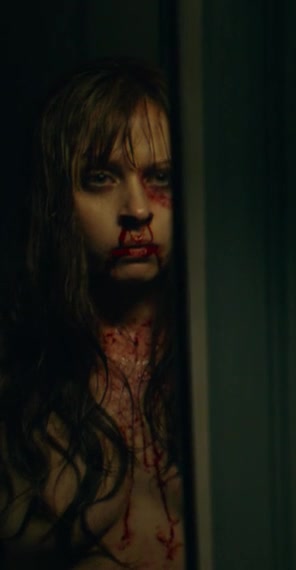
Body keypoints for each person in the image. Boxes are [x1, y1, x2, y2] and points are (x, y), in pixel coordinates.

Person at [0, 59, 185, 569]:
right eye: (100, 178)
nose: (138, 209)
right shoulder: (22, 369)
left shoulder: (228, 357)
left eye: (161, 177)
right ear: (57, 200)